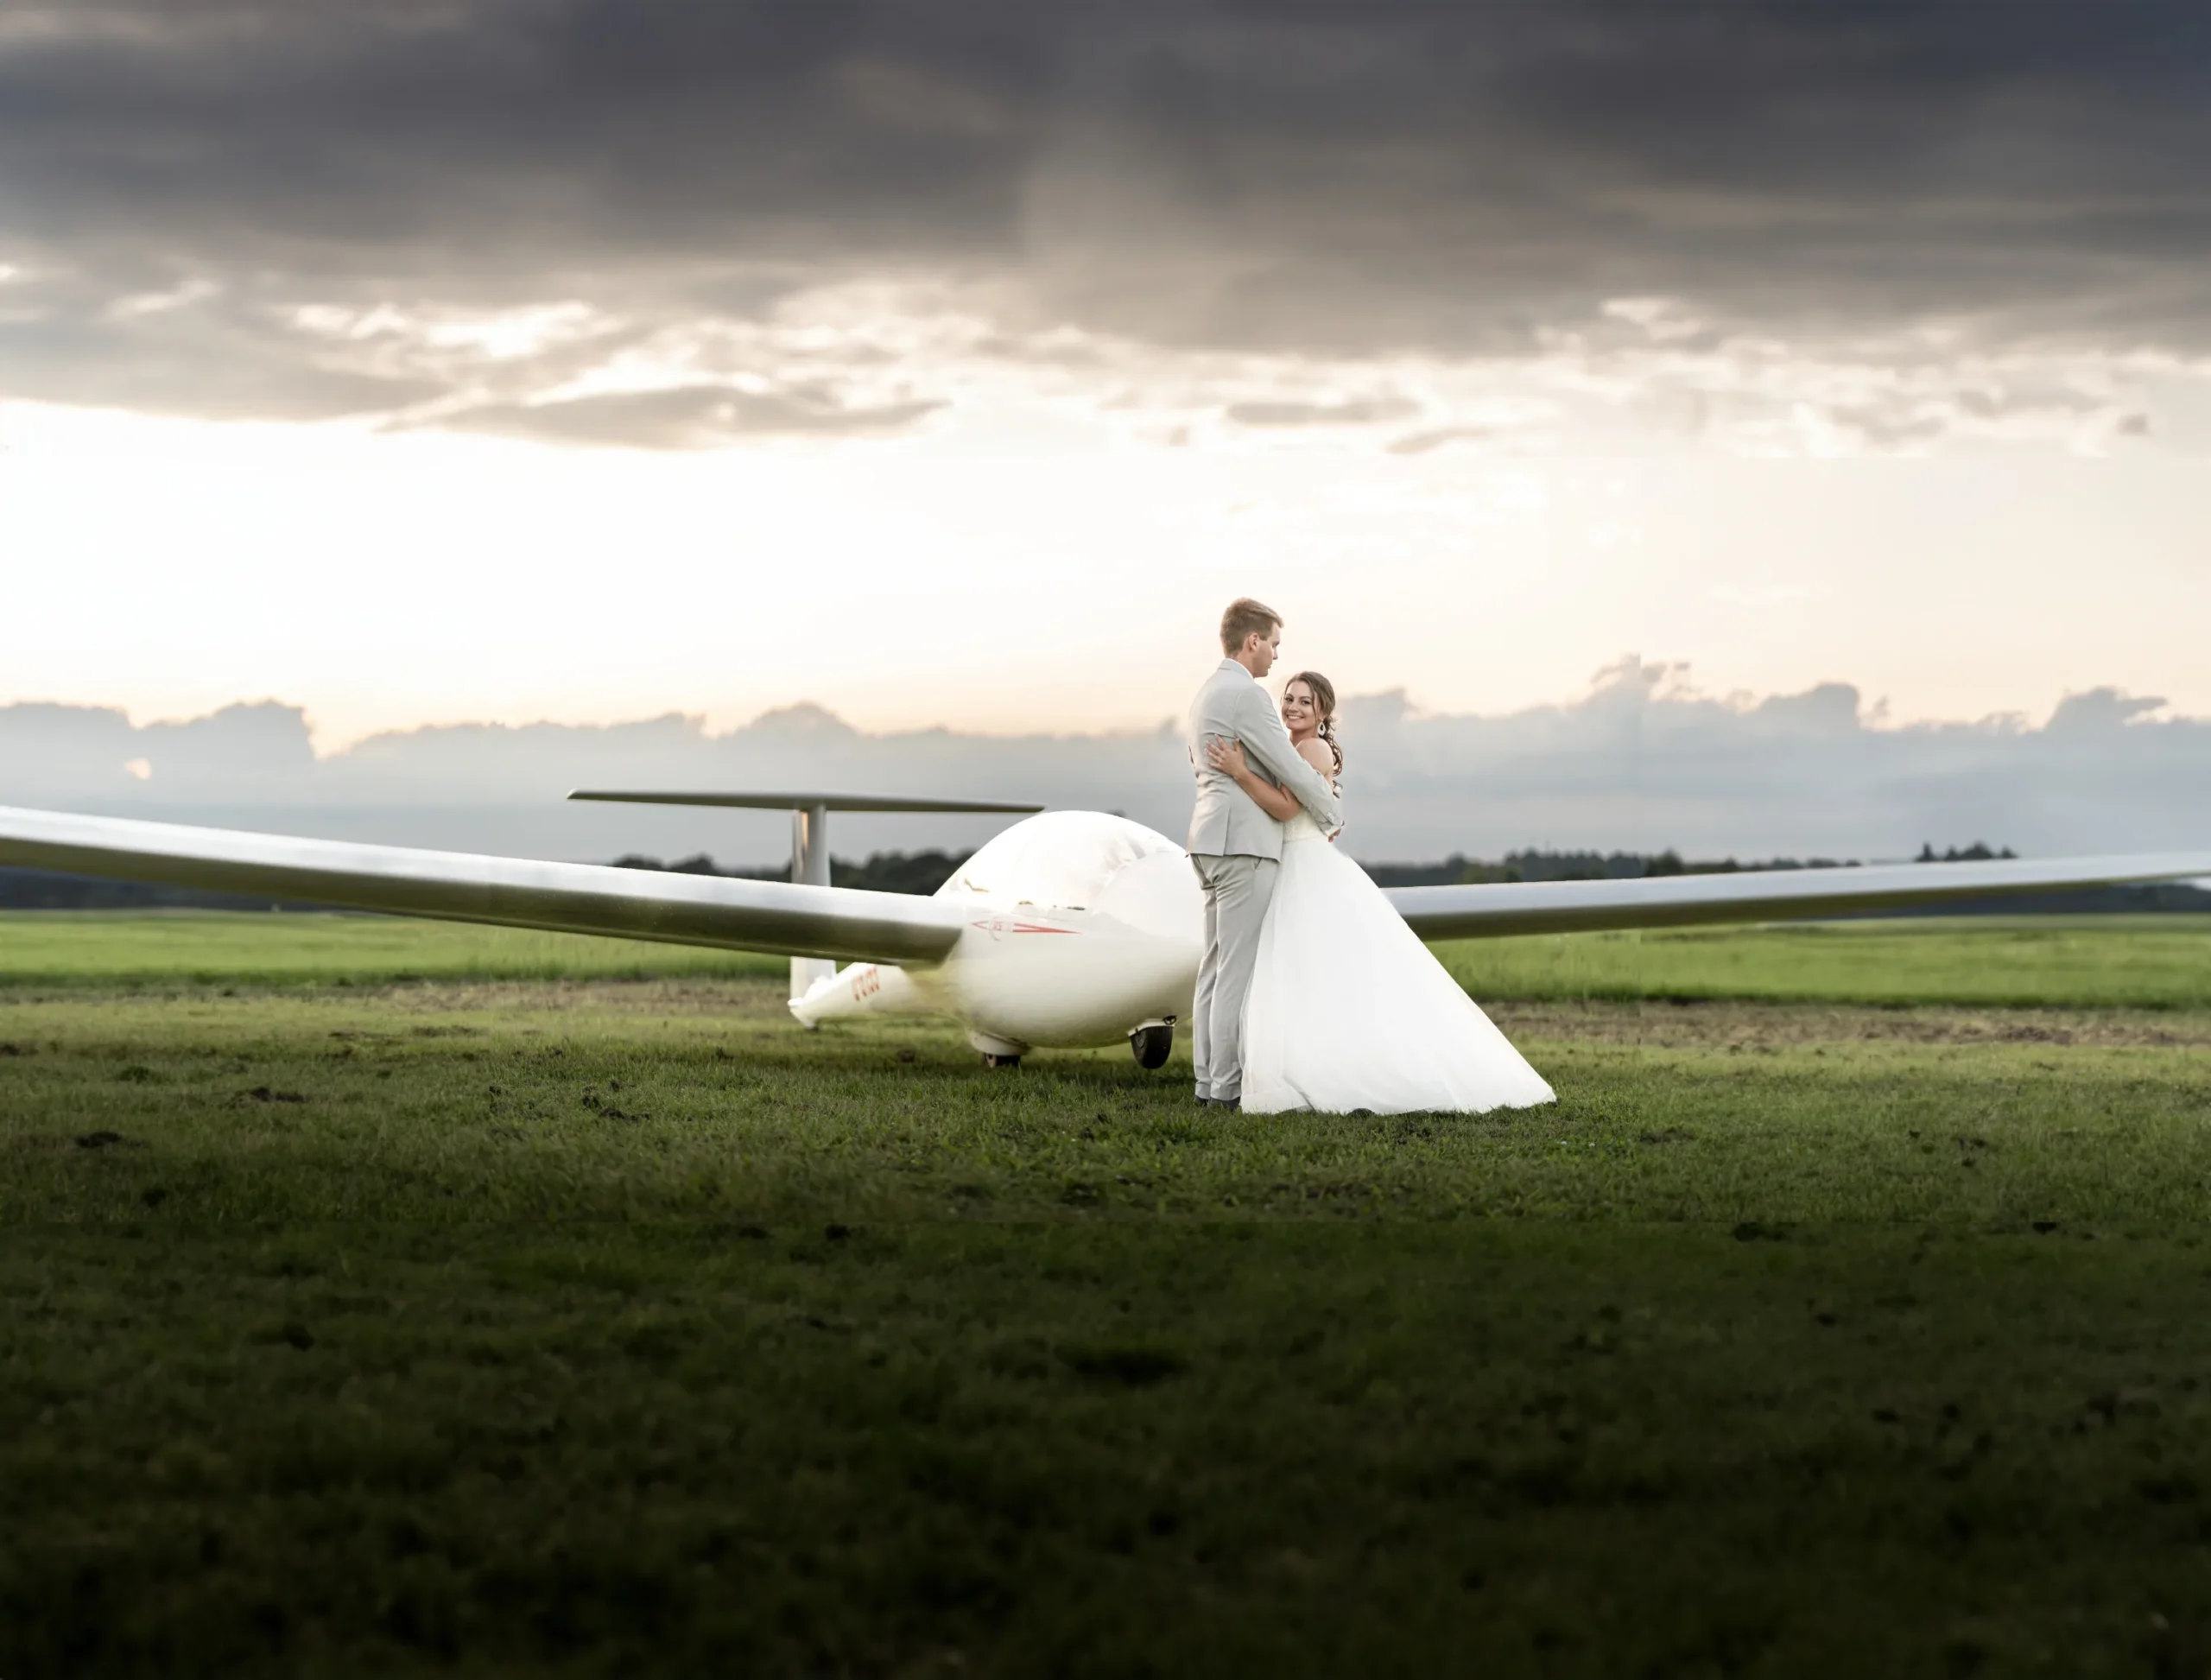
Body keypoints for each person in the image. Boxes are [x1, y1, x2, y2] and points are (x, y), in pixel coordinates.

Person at [1204, 670, 1555, 1116]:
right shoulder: (1294, 747)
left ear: (1323, 712)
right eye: (1288, 698)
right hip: (1296, 859)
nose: (1292, 707)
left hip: (1304, 868)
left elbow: (1287, 807)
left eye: (1304, 703)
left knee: (1306, 971)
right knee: (1310, 975)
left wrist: (1237, 773)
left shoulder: (1309, 748)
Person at [1186, 599, 1344, 1109]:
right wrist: (1331, 814)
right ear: (1252, 641)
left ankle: (1206, 1083)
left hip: (1208, 841)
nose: (1276, 655)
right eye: (1274, 643)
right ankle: (1226, 1091)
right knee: (1234, 973)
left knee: (1213, 969)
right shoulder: (1248, 696)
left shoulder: (1205, 694)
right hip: (1244, 847)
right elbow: (1294, 771)